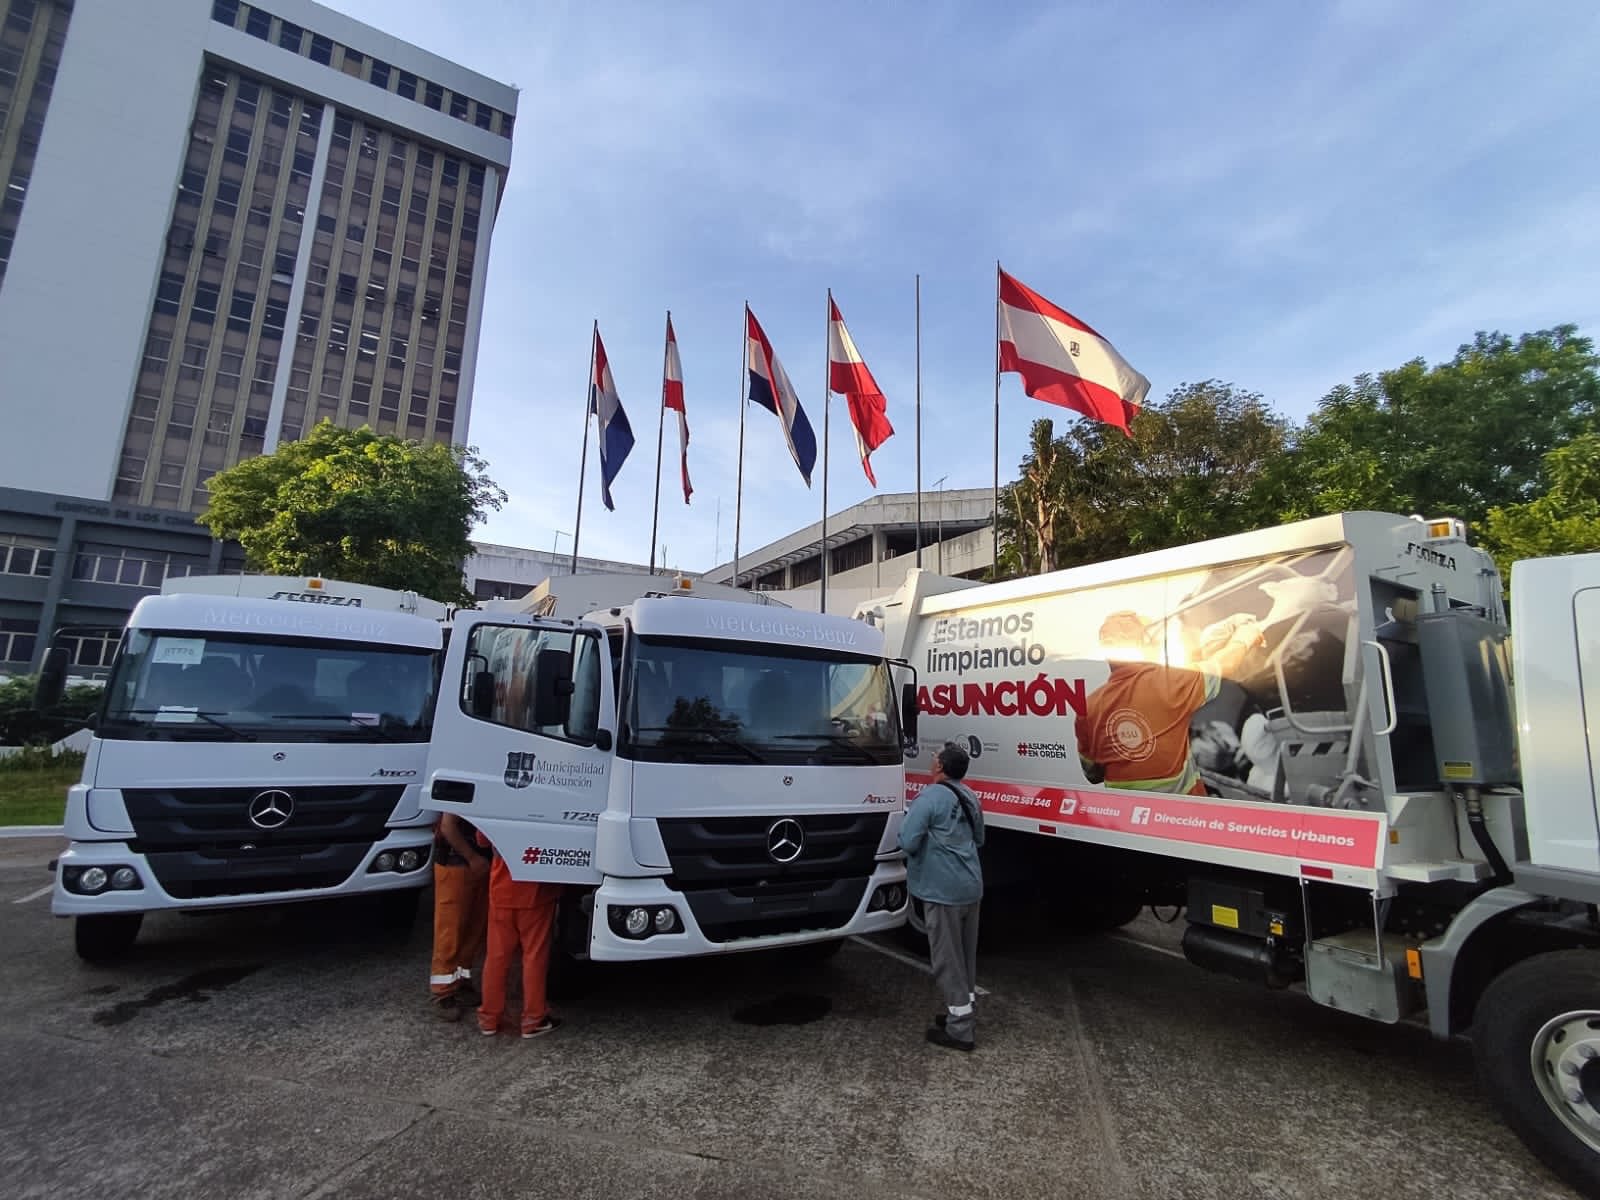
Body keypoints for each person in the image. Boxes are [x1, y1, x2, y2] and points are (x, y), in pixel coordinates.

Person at [1076, 609, 1264, 796]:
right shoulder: (1168, 684)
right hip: (1182, 816)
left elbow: (1092, 774)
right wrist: (1244, 636)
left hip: (1123, 817)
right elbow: (1223, 665)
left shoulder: (1088, 708)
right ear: (1142, 643)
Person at [899, 743, 985, 1052]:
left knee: (948, 960)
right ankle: (961, 1011)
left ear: (940, 768)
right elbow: (979, 839)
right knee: (965, 956)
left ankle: (960, 1031)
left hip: (943, 890)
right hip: (971, 887)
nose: (931, 760)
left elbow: (907, 841)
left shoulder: (930, 797)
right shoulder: (971, 796)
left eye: (934, 757)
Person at [476, 830, 563, 1039]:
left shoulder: (498, 804)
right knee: (534, 957)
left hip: (502, 891)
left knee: (497, 957)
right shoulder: (546, 804)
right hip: (536, 893)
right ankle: (533, 1018)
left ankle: (489, 1018)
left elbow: (482, 840)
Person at [428, 812, 490, 1022]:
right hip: (455, 864)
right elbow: (448, 826)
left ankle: (461, 982)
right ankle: (443, 992)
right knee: (450, 930)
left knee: (474, 929)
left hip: (478, 863)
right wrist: (473, 858)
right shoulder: (457, 781)